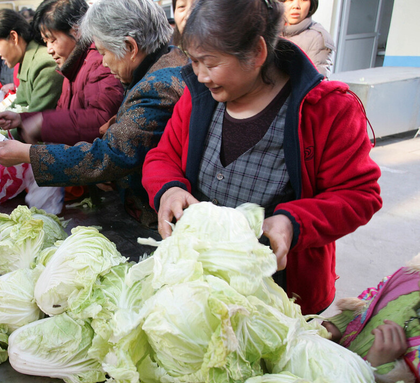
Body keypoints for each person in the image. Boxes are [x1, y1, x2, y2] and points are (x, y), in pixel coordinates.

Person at [141, 0, 382, 315]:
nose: (199, 75)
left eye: (209, 63)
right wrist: (169, 188)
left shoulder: (327, 110)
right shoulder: (200, 97)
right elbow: (164, 155)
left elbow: (359, 194)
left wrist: (291, 223)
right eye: (194, 61)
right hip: (198, 279)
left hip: (281, 291)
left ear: (256, 52)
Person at [0, 0, 188, 226]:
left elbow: (112, 156)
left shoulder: (156, 86)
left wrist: (28, 154)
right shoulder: (161, 64)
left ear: (130, 47)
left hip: (156, 216)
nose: (103, 62)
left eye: (103, 52)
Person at [0, 0, 124, 147]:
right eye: (46, 41)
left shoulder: (98, 63)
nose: (49, 50)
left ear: (76, 31)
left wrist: (43, 123)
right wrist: (22, 119)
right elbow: (64, 114)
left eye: (53, 40)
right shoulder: (72, 66)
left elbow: (102, 120)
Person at [322, 253, 420, 382]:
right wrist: (342, 324)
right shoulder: (413, 274)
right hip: (335, 364)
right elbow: (379, 294)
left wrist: (381, 369)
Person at [0, 9, 63, 112]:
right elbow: (20, 103)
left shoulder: (43, 65)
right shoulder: (27, 61)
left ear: (14, 37)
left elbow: (35, 117)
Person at [278, 0, 335, 77]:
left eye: (303, 0)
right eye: (290, 0)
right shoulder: (269, 28)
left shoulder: (318, 38)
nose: (296, 6)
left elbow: (316, 84)